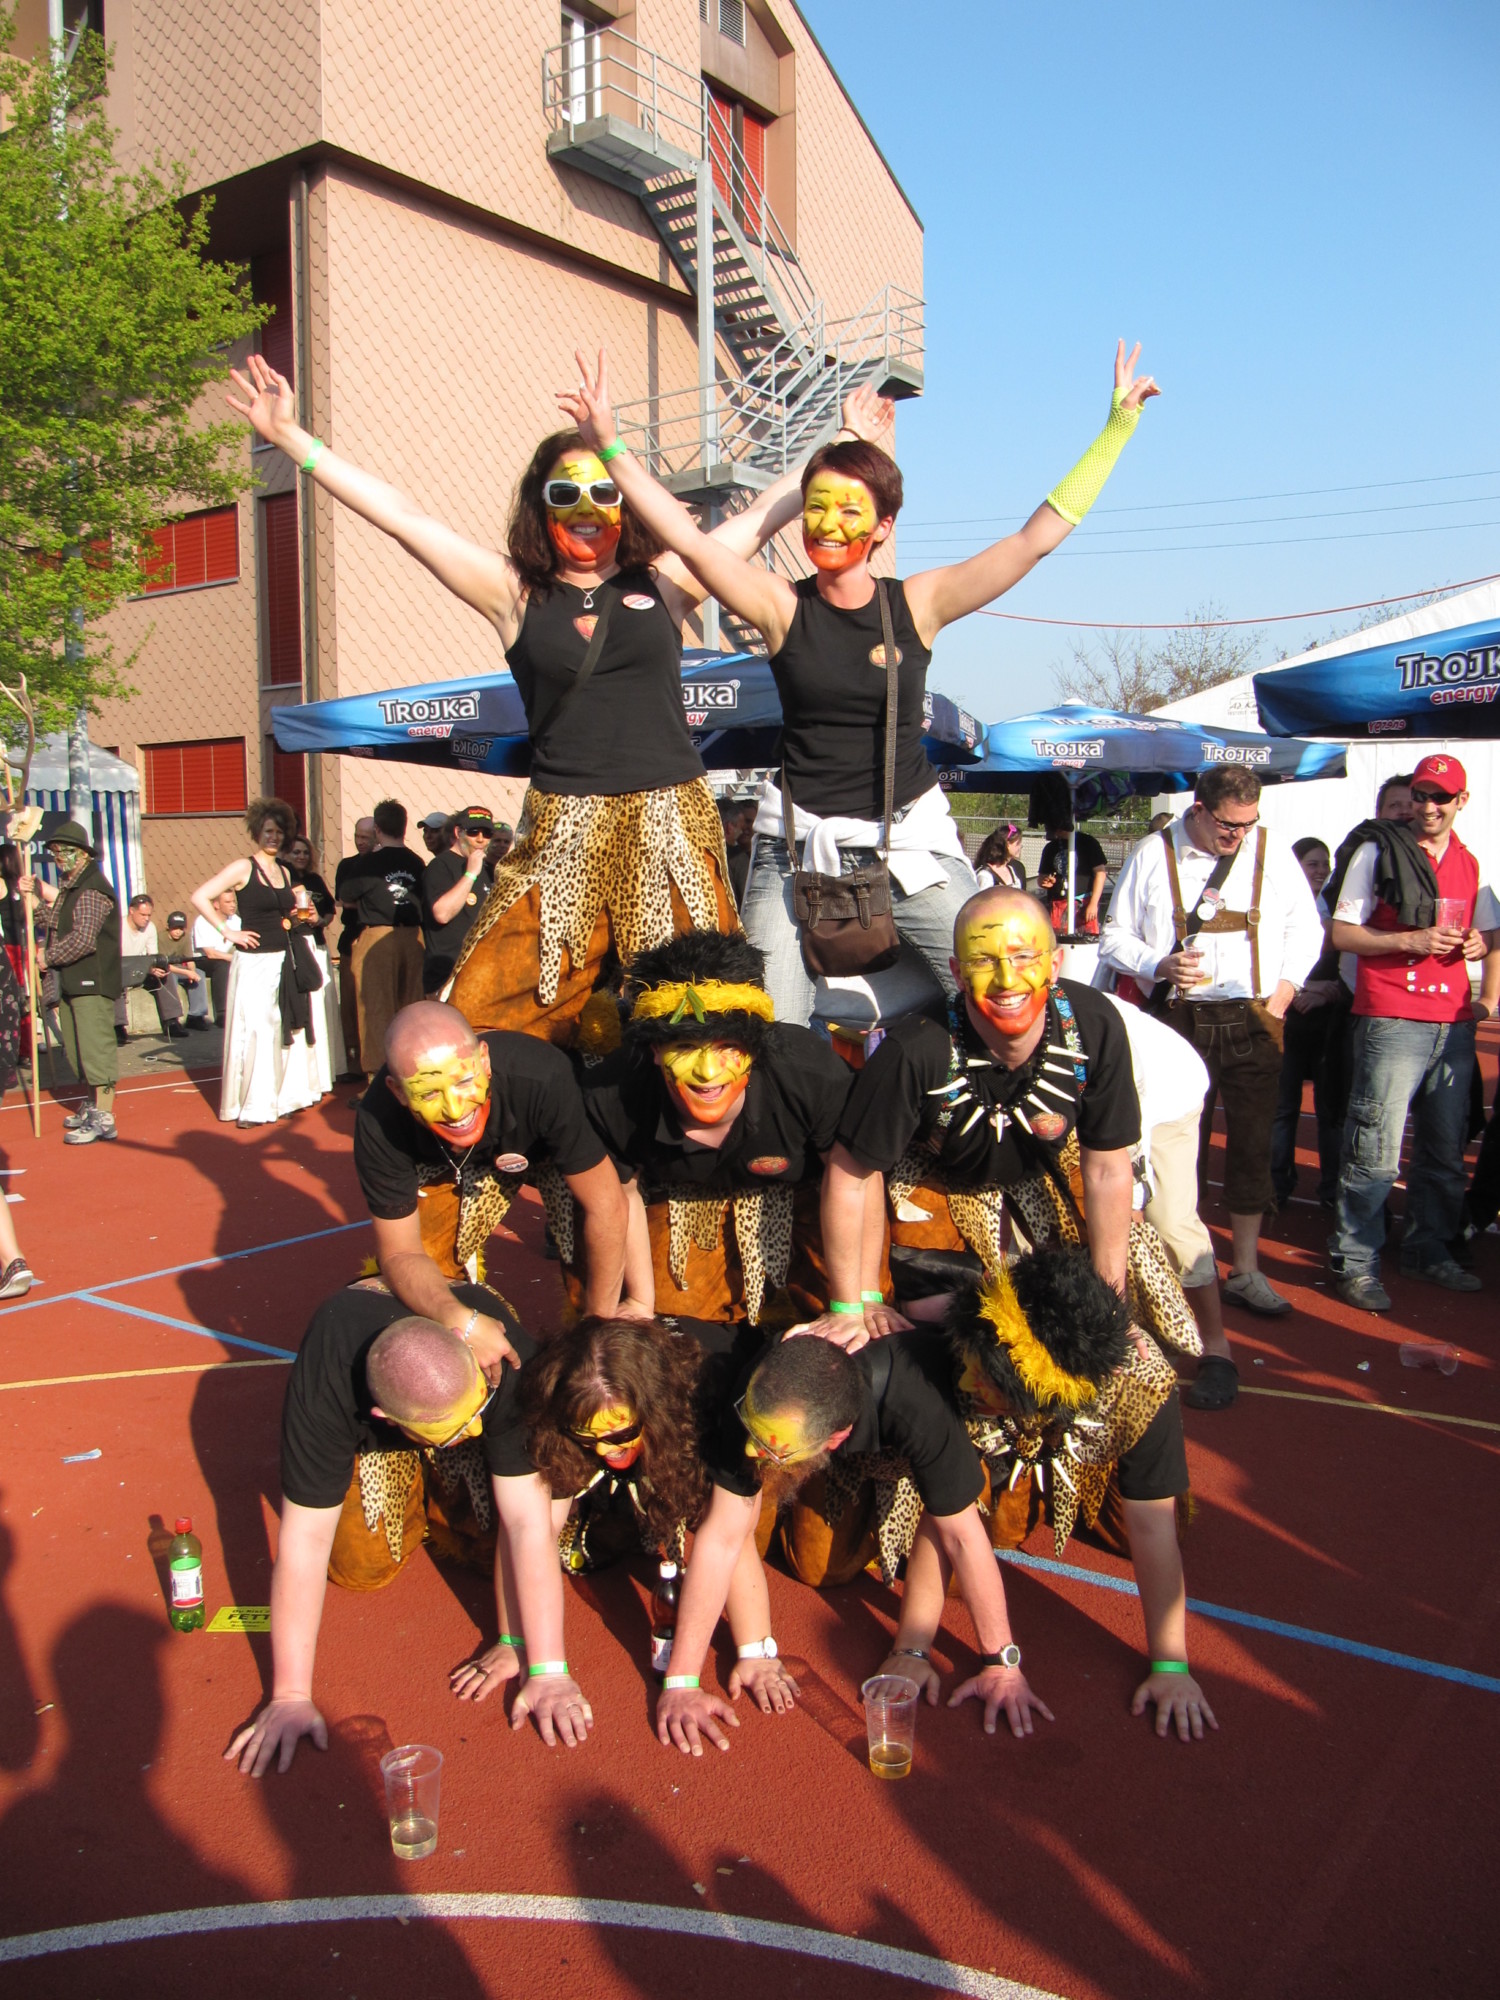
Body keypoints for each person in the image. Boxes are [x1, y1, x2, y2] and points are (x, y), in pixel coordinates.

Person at [227, 354, 843, 1047]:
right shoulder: (513, 592)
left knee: (695, 1018)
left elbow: (760, 516)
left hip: (670, 817)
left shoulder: (668, 580)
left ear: (626, 501)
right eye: (565, 494)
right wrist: (293, 440)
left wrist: (843, 441)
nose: (586, 509)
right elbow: (403, 518)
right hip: (562, 824)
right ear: (540, 504)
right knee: (491, 1012)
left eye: (603, 491)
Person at [557, 341, 1160, 1026]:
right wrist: (609, 447)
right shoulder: (780, 606)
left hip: (905, 846)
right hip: (795, 855)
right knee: (769, 1029)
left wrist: (1117, 429)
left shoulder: (919, 604)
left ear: (882, 526)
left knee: (1001, 978)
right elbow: (690, 542)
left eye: (849, 511)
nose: (827, 524)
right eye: (817, 507)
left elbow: (1033, 540)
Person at [656, 1326, 1051, 1756]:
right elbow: (722, 1536)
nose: (753, 1452)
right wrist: (686, 1681)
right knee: (795, 1548)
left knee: (947, 1520)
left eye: (775, 1450)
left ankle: (913, 1648)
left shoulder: (921, 1410)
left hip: (949, 1413)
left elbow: (962, 1538)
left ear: (835, 1439)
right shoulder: (764, 1392)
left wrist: (1002, 1666)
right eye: (755, 1435)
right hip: (834, 1415)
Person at [883, 1249, 1213, 1743]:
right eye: (974, 1366)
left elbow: (1152, 1526)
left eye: (987, 1382)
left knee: (1146, 1528)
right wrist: (911, 1648)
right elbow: (947, 1509)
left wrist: (1171, 1666)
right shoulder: (967, 1349)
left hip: (1077, 1439)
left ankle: (1064, 1496)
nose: (970, 1381)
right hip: (1002, 1440)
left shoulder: (1143, 1391)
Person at [820, 890, 1173, 1349]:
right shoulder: (916, 1049)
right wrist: (852, 1305)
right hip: (942, 1172)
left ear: (1055, 964)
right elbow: (851, 1174)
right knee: (939, 1315)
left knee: (1087, 1303)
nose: (1007, 980)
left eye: (1025, 956)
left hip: (1049, 1161)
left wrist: (1110, 1306)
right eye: (984, 961)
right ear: (957, 973)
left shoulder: (1092, 1025)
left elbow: (1107, 1167)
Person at [225, 1295, 557, 1774]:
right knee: (359, 1567)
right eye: (455, 1432)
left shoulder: (500, 1363)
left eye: (475, 1414)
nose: (473, 1430)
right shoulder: (324, 1393)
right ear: (385, 1419)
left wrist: (545, 1667)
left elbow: (528, 1522)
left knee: (497, 1540)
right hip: (377, 1406)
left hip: (453, 1380)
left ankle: (442, 1469)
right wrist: (290, 1695)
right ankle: (417, 1475)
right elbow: (304, 1542)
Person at [456, 1313, 793, 1725]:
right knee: (547, 1503)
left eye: (615, 1437)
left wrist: (711, 1672)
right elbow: (528, 1528)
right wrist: (518, 1644)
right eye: (587, 1439)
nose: (604, 1450)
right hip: (628, 1420)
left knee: (713, 1512)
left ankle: (754, 1644)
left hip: (697, 1418)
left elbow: (726, 1537)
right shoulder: (559, 1404)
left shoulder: (714, 1405)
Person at [1099, 768, 1324, 1318]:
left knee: (1252, 1146)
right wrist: (1159, 963)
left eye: (1248, 824)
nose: (1238, 835)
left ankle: (1245, 1270)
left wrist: (1286, 989)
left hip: (1255, 1017)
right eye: (1228, 825)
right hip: (1178, 1020)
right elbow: (1113, 937)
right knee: (1174, 1150)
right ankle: (1180, 1271)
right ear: (1198, 809)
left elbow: (1306, 928)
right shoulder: (1153, 853)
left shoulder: (1270, 851)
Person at [569, 930, 858, 1328]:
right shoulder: (612, 1096)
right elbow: (620, 1197)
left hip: (808, 1202)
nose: (708, 1074)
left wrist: (851, 1305)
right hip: (679, 1205)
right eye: (686, 1048)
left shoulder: (811, 1074)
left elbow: (854, 1178)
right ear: (655, 1051)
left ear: (754, 1048)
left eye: (728, 1048)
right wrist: (640, 1300)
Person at [354, 1001, 627, 1377]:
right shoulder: (379, 1122)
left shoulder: (542, 1077)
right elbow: (401, 1252)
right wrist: (457, 1320)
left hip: (545, 1152)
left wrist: (599, 1330)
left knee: (590, 1255)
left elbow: (607, 1205)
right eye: (429, 1094)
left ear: (484, 1061)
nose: (455, 1110)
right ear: (398, 1092)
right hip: (446, 1163)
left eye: (464, 1081)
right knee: (425, 1276)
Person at [1327, 755, 1500, 1309]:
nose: (1428, 807)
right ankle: (1356, 1261)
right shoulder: (1376, 850)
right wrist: (1411, 941)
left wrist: (1482, 963)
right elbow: (1342, 933)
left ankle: (1429, 1249)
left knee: (1445, 1150)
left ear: (1460, 801)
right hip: (1392, 1016)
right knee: (1374, 1149)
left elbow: (1490, 933)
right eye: (1422, 795)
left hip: (1452, 1021)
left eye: (1440, 797)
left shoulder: (1469, 862)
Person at [1103, 990, 1235, 1408]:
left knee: (1169, 1222)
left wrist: (1130, 1204)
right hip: (1102, 1101)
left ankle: (1216, 1346)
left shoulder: (1098, 1031)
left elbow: (1129, 1142)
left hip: (1168, 1094)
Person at [190, 797, 332, 1127]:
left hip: (285, 959)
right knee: (257, 1030)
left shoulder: (285, 871)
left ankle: (283, 1098)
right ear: (257, 832)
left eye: (279, 832)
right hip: (254, 963)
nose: (274, 837)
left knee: (284, 1029)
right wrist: (228, 931)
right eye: (268, 831)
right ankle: (254, 1106)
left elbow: (294, 912)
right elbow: (200, 896)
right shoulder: (243, 867)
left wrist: (305, 913)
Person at [26, 821, 121, 1146]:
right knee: (78, 1049)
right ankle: (93, 1105)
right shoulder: (70, 887)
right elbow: (55, 923)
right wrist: (34, 901)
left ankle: (104, 1116)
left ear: (82, 854)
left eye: (64, 851)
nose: (58, 858)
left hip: (91, 980)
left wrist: (48, 957)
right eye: (54, 852)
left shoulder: (92, 888)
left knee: (95, 1048)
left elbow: (83, 939)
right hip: (72, 980)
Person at [1269, 839, 1348, 1211]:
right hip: (1286, 1020)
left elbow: (1352, 960)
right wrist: (1303, 987)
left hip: (1328, 1024)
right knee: (1282, 1108)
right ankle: (1276, 1185)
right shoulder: (1277, 906)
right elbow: (1265, 960)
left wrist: (1329, 991)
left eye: (1324, 864)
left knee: (1331, 1109)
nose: (1320, 871)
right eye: (1312, 864)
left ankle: (1332, 1188)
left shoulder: (1339, 907)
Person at [336, 798, 426, 1080]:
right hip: (414, 936)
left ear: (377, 829)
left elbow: (345, 897)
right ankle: (413, 1069)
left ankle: (377, 1077)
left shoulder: (368, 863)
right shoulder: (416, 862)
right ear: (404, 827)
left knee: (375, 1007)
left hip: (377, 934)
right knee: (411, 1005)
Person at [422, 807, 495, 995]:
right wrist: (470, 875)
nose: (480, 839)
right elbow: (442, 913)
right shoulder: (441, 865)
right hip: (447, 974)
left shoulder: (487, 869)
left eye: (487, 833)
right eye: (473, 832)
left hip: (480, 971)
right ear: (457, 832)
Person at [333, 816, 376, 1078]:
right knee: (349, 1004)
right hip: (351, 939)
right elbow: (343, 900)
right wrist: (374, 901)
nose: (361, 842)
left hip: (376, 939)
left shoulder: (382, 863)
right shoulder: (347, 865)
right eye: (358, 836)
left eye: (366, 838)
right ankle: (352, 1062)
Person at [116, 893, 187, 1041]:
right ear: (131, 911)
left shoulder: (150, 928)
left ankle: (171, 1022)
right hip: (120, 968)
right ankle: (118, 1026)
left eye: (149, 915)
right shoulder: (118, 927)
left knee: (164, 973)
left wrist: (153, 968)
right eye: (143, 915)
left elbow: (152, 956)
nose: (146, 919)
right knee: (115, 980)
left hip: (141, 969)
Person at [1036, 814, 1108, 935]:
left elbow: (1100, 874)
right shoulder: (1050, 848)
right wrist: (1045, 881)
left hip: (1084, 902)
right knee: (1059, 941)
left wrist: (1093, 903)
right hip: (1058, 903)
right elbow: (1041, 878)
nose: (1057, 833)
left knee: (1086, 940)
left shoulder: (1088, 842)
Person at [193, 888, 240, 1025]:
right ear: (216, 905)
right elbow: (210, 953)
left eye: (234, 901)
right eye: (228, 902)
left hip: (225, 957)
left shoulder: (236, 920)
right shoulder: (203, 920)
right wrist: (233, 959)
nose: (233, 905)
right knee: (222, 965)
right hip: (203, 960)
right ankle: (222, 1013)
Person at [160, 910, 212, 1031]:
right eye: (175, 928)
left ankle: (196, 1015)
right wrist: (188, 973)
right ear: (168, 927)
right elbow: (164, 964)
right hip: (167, 968)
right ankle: (173, 1018)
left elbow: (189, 960)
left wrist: (192, 972)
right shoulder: (161, 938)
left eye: (181, 928)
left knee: (199, 973)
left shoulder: (185, 937)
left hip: (180, 968)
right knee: (170, 976)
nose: (178, 931)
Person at [717, 796, 757, 912]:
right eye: (742, 822)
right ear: (729, 827)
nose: (744, 828)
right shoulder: (738, 859)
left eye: (748, 822)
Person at [974, 824, 1025, 892]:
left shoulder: (1011, 869)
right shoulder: (986, 875)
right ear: (1007, 844)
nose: (1020, 847)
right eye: (1017, 844)